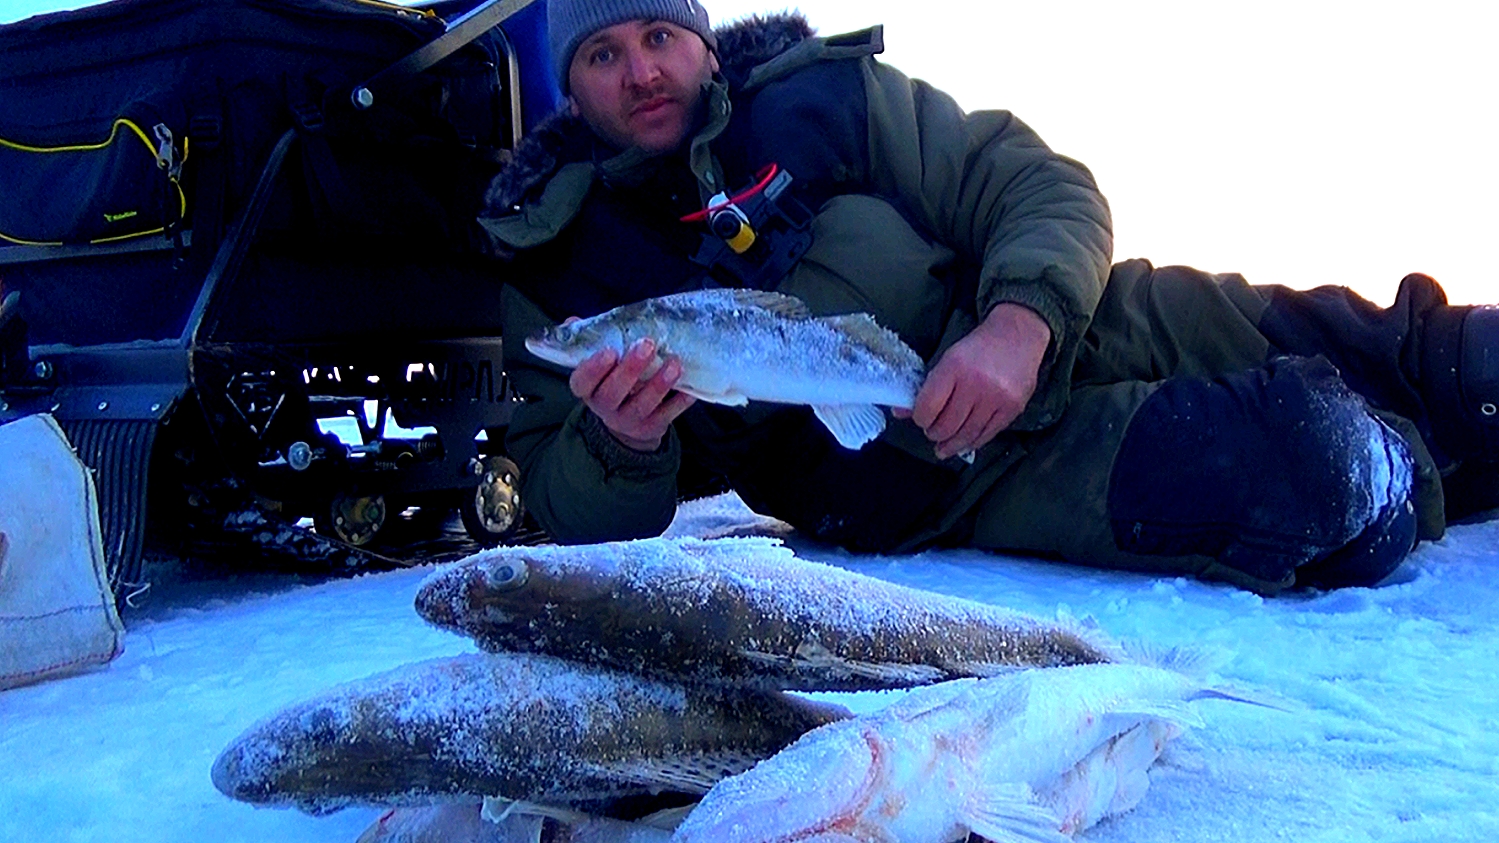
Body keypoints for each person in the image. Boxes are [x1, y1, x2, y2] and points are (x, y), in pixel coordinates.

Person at [477, 0, 1499, 595]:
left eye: (656, 35)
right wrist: (624, 445)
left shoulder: (821, 98)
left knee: (1435, 355)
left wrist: (1019, 321)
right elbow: (564, 505)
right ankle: (1423, 458)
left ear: (701, 41)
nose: (640, 72)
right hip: (953, 480)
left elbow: (1033, 183)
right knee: (1323, 479)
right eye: (602, 55)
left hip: (1070, 328)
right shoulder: (560, 266)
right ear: (571, 87)